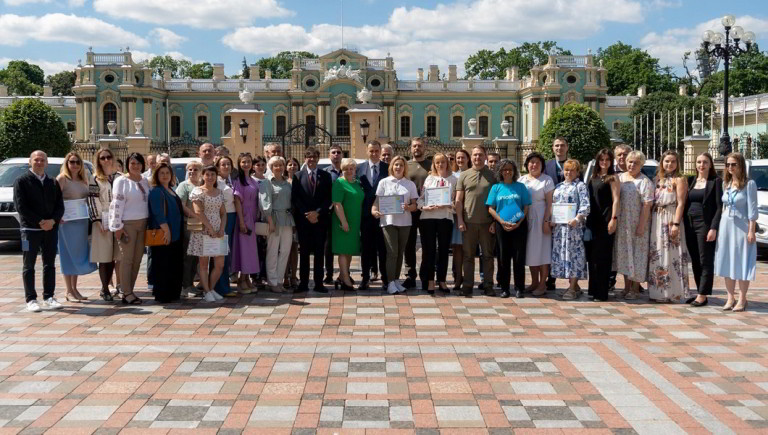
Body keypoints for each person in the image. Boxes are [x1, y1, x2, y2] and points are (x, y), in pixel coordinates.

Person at [15, 150, 65, 312]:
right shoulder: (21, 181)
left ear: (47, 163)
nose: (39, 162)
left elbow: (59, 206)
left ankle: (49, 297)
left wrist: (52, 221)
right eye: (36, 160)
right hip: (29, 231)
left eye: (42, 160)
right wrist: (39, 221)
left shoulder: (52, 182)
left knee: (49, 264)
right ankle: (31, 299)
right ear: (30, 162)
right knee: (28, 265)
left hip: (50, 230)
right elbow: (21, 207)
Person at [715, 152, 757, 312]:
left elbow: (752, 211)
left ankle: (742, 298)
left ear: (741, 166)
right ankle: (730, 297)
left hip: (742, 226)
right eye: (728, 165)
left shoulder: (749, 184)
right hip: (726, 225)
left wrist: (751, 231)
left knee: (741, 261)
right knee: (727, 259)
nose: (730, 167)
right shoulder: (727, 183)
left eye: (734, 164)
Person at [648, 151, 691, 303]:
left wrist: (676, 224)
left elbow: (681, 203)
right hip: (657, 217)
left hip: (671, 217)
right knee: (658, 253)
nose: (669, 164)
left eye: (672, 161)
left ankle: (674, 293)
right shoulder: (657, 179)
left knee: (672, 255)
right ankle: (658, 292)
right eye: (666, 161)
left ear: (677, 163)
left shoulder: (680, 180)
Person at [373, 155, 419, 294]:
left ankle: (396, 280)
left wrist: (408, 207)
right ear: (391, 166)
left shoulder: (409, 184)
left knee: (400, 253)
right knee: (392, 252)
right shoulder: (384, 182)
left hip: (405, 222)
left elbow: (415, 205)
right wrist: (374, 211)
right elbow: (377, 202)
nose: (398, 167)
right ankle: (390, 282)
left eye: (401, 165)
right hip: (388, 222)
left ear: (405, 167)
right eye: (396, 165)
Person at [456, 145, 496, 297]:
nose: (477, 158)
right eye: (475, 155)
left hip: (487, 223)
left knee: (488, 256)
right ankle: (467, 286)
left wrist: (494, 222)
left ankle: (488, 285)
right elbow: (459, 200)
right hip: (468, 222)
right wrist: (460, 219)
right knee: (468, 256)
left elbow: (497, 201)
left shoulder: (492, 176)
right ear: (471, 157)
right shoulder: (464, 175)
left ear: (485, 157)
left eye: (480, 155)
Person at [109, 153, 150, 305]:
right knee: (127, 260)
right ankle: (126, 292)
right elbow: (116, 204)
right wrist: (117, 226)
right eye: (132, 163)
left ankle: (130, 290)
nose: (136, 166)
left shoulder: (145, 181)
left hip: (143, 223)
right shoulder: (121, 181)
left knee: (138, 259)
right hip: (127, 225)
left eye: (138, 163)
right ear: (128, 164)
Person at [57, 152, 97, 302]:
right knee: (68, 255)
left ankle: (75, 289)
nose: (74, 165)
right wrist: (58, 216)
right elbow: (55, 200)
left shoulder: (84, 179)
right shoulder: (62, 179)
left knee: (78, 255)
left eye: (77, 162)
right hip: (66, 223)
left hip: (81, 222)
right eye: (71, 162)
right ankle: (68, 290)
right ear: (67, 163)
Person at [486, 159, 530, 299]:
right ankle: (505, 288)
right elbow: (491, 208)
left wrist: (518, 223)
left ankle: (519, 288)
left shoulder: (521, 187)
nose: (507, 171)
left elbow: (526, 207)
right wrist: (501, 221)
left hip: (519, 225)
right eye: (504, 169)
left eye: (510, 169)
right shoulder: (496, 188)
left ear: (514, 171)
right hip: (501, 226)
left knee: (518, 257)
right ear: (500, 171)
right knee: (503, 257)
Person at [614, 151, 654, 300]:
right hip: (623, 224)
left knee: (638, 256)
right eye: (630, 161)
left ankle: (635, 288)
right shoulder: (620, 178)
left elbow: (647, 205)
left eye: (635, 163)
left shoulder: (645, 182)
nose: (631, 165)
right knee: (624, 255)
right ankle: (626, 286)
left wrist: (641, 225)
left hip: (637, 223)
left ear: (641, 164)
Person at [292, 146, 332, 293]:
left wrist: (318, 213)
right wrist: (307, 214)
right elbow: (295, 199)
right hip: (304, 221)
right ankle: (303, 283)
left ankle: (318, 283)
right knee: (304, 253)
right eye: (309, 157)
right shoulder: (298, 176)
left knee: (319, 253)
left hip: (320, 221)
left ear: (318, 159)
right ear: (305, 159)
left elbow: (328, 198)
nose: (312, 160)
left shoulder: (326, 176)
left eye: (314, 157)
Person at [684, 152, 722, 307]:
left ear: (710, 164)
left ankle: (703, 294)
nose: (701, 165)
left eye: (705, 162)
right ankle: (700, 291)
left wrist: (713, 228)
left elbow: (720, 207)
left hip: (705, 224)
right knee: (695, 259)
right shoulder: (691, 180)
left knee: (705, 259)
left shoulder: (716, 181)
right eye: (699, 162)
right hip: (689, 223)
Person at [550, 159, 590, 300]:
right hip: (560, 230)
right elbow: (554, 205)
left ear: (577, 172)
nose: (568, 172)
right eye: (566, 169)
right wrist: (552, 219)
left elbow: (585, 205)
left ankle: (573, 288)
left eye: (572, 170)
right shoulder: (559, 186)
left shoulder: (580, 186)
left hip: (573, 229)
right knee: (564, 256)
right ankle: (575, 286)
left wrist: (577, 218)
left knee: (574, 256)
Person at [417, 153, 456, 294]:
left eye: (443, 162)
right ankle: (430, 281)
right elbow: (420, 199)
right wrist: (424, 207)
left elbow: (457, 202)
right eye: (437, 162)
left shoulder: (454, 180)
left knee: (444, 250)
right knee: (429, 251)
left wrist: (448, 204)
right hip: (428, 218)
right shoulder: (429, 179)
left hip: (445, 218)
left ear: (447, 163)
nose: (440, 165)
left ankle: (442, 280)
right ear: (434, 164)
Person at [189, 166, 227, 303]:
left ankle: (210, 289)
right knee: (204, 264)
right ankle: (207, 291)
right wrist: (210, 229)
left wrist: (221, 229)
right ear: (203, 176)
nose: (210, 177)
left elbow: (223, 213)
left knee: (220, 264)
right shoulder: (197, 192)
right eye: (207, 174)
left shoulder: (219, 192)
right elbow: (198, 212)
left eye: (213, 174)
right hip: (203, 231)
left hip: (218, 231)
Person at [586, 149, 620, 302]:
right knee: (592, 258)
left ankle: (602, 292)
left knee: (603, 258)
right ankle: (592, 290)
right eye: (601, 159)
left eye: (607, 159)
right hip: (592, 221)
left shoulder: (612, 178)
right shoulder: (593, 177)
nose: (604, 162)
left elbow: (616, 199)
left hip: (606, 221)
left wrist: (614, 218)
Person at [147, 163, 184, 303]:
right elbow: (158, 213)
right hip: (164, 233)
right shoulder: (157, 191)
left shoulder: (170, 189)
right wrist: (166, 231)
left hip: (175, 233)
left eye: (167, 173)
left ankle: (173, 292)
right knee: (163, 264)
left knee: (172, 264)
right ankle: (163, 294)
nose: (165, 175)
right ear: (157, 175)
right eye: (161, 173)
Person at [519, 152, 554, 296]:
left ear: (542, 165)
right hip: (526, 218)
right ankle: (534, 282)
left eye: (537, 163)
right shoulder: (521, 180)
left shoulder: (547, 180)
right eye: (531, 162)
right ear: (527, 165)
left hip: (541, 217)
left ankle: (542, 284)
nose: (534, 165)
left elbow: (550, 203)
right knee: (531, 252)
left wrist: (546, 221)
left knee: (543, 252)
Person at [87, 148, 118, 301]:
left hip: (118, 219)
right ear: (98, 161)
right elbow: (92, 200)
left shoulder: (119, 177)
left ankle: (111, 285)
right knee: (104, 256)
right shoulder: (95, 179)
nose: (106, 160)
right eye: (102, 158)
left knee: (113, 256)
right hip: (102, 219)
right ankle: (104, 288)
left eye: (108, 157)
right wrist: (97, 220)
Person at [357, 141, 389, 290]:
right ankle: (365, 277)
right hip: (365, 215)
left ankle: (385, 278)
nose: (374, 154)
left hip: (382, 214)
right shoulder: (359, 168)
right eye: (372, 151)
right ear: (367, 151)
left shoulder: (387, 168)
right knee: (366, 248)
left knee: (383, 248)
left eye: (377, 151)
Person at [261, 156, 294, 293]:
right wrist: (270, 221)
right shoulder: (267, 183)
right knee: (273, 251)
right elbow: (265, 203)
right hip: (273, 219)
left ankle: (279, 281)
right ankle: (272, 281)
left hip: (287, 219)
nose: (278, 167)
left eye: (281, 165)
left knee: (286, 251)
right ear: (271, 167)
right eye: (275, 165)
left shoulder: (288, 183)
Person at [332, 158, 364, 291]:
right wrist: (343, 221)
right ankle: (345, 280)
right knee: (344, 251)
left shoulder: (357, 183)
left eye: (352, 168)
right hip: (343, 221)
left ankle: (342, 276)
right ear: (342, 170)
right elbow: (337, 204)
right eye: (346, 169)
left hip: (355, 221)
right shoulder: (339, 183)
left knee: (350, 250)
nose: (349, 171)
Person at [404, 137, 432, 290]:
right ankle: (410, 275)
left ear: (424, 148)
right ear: (411, 148)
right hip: (410, 210)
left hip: (427, 210)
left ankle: (425, 274)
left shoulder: (431, 165)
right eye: (414, 146)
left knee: (427, 244)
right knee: (409, 244)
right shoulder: (406, 166)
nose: (417, 148)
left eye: (420, 146)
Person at [542, 137, 570, 290]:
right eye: (557, 146)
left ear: (567, 147)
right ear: (553, 148)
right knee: (550, 245)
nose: (559, 148)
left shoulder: (573, 165)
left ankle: (571, 281)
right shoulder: (547, 166)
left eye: (562, 145)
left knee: (568, 245)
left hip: (569, 214)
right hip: (552, 211)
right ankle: (550, 278)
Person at [231, 153, 260, 293]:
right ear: (239, 164)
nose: (246, 164)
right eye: (243, 162)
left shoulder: (253, 180)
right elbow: (237, 201)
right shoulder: (238, 180)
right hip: (244, 217)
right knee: (244, 249)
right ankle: (241, 280)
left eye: (248, 161)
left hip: (253, 216)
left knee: (251, 250)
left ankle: (247, 277)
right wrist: (242, 222)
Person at [176, 161, 203, 297]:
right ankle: (185, 286)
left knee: (196, 257)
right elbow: (180, 204)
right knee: (188, 256)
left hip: (200, 226)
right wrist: (193, 215)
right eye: (190, 169)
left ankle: (191, 283)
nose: (192, 171)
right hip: (188, 224)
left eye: (196, 169)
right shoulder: (184, 186)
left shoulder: (202, 185)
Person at [214, 155, 236, 296]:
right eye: (223, 164)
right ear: (218, 167)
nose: (226, 167)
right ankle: (220, 287)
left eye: (228, 164)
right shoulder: (216, 181)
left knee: (228, 252)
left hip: (233, 216)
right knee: (221, 252)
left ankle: (225, 285)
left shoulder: (232, 180)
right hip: (222, 217)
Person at [324, 144, 344, 284]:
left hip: (345, 212)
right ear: (329, 155)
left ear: (342, 155)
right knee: (328, 245)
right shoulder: (325, 172)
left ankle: (345, 273)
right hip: (329, 213)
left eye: (338, 152)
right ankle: (329, 273)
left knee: (345, 243)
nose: (336, 154)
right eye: (333, 152)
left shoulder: (348, 171)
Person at [451, 149, 470, 290]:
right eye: (457, 158)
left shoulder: (472, 173)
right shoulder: (452, 176)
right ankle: (458, 277)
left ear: (468, 159)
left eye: (462, 157)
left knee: (467, 248)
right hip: (455, 215)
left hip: (470, 215)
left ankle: (468, 276)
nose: (460, 160)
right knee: (457, 248)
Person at [284, 157, 301, 289]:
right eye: (290, 164)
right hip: (284, 218)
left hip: (297, 219)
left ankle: (294, 276)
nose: (292, 167)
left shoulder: (301, 180)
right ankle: (284, 276)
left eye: (295, 164)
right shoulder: (283, 181)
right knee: (284, 249)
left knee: (294, 248)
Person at [252, 155, 268, 285]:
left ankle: (263, 274)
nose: (261, 167)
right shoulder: (250, 180)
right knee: (255, 247)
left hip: (265, 218)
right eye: (258, 165)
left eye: (263, 165)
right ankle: (255, 275)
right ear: (253, 167)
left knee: (265, 247)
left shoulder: (268, 180)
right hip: (253, 217)